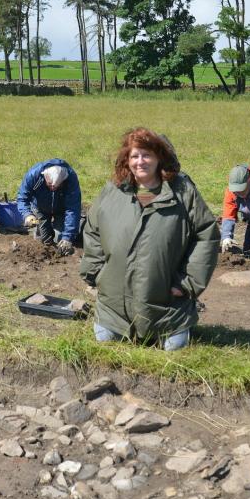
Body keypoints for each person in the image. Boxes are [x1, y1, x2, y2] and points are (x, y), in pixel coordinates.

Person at [80, 127, 219, 352]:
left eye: (147, 155)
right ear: (126, 159)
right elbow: (92, 230)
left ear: (159, 158)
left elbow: (206, 235)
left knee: (174, 348)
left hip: (167, 306)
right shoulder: (112, 191)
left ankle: (178, 329)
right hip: (115, 307)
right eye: (134, 156)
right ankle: (121, 325)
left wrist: (188, 283)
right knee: (105, 340)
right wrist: (97, 273)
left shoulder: (183, 192)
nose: (140, 162)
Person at [16, 159, 82, 256]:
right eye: (50, 185)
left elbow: (73, 209)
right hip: (40, 207)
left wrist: (67, 237)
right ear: (45, 175)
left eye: (57, 186)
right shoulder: (34, 175)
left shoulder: (70, 179)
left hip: (62, 209)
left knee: (60, 239)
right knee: (43, 240)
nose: (53, 188)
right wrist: (27, 214)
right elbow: (22, 197)